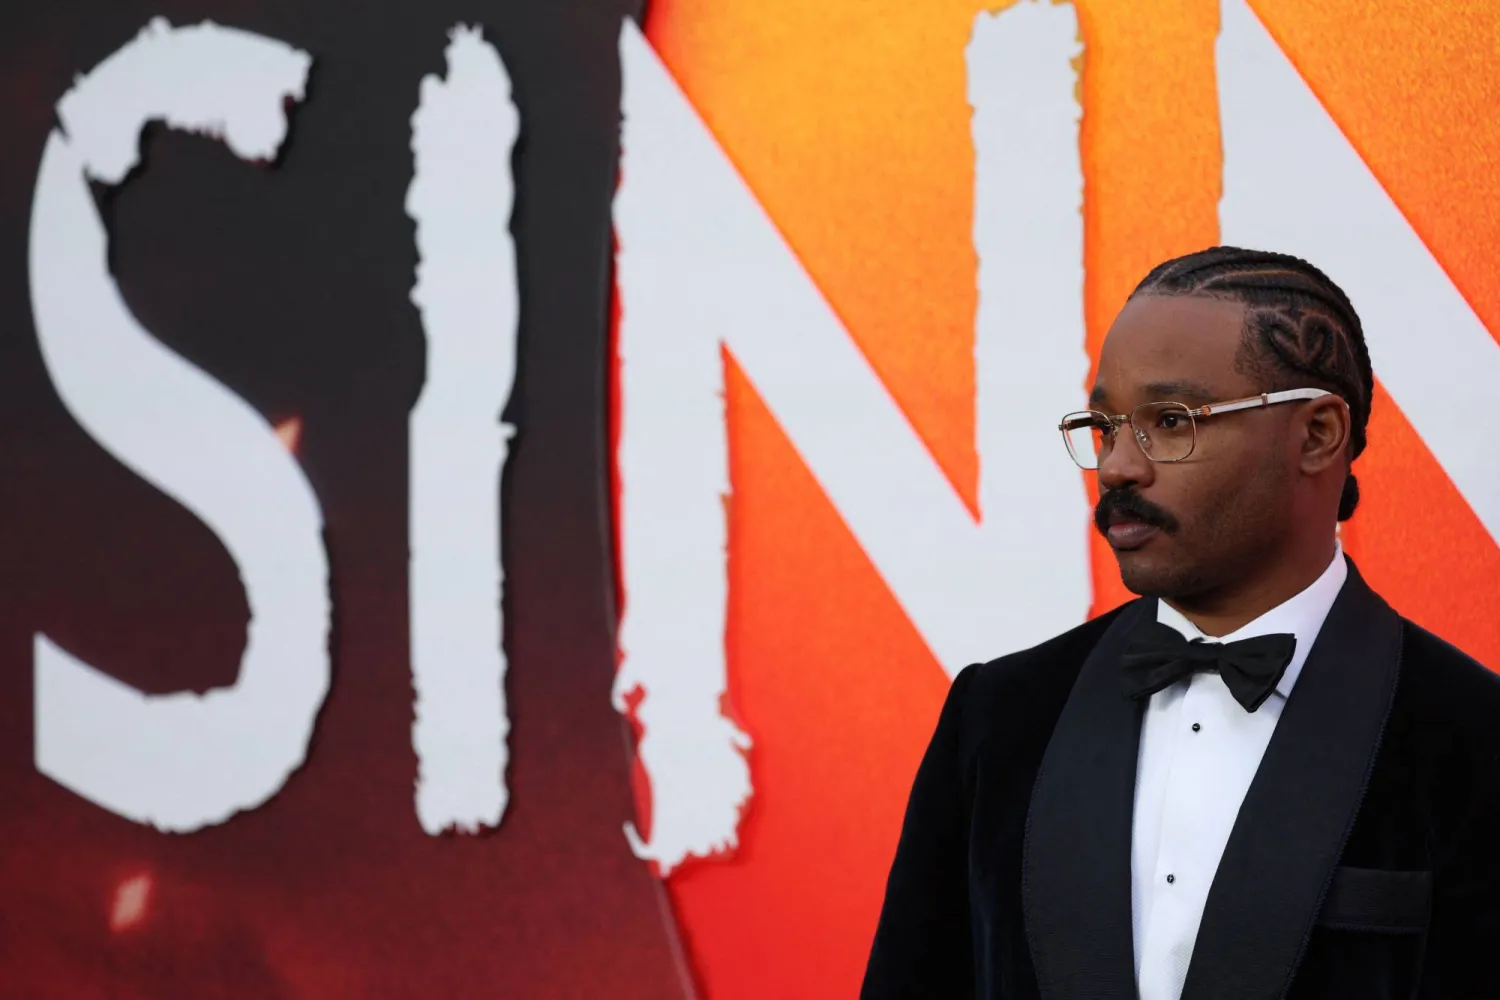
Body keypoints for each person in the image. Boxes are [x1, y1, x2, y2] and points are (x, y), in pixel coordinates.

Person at [860, 246, 1500, 1000]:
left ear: (1319, 434)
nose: (1118, 468)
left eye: (1169, 421)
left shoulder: (1474, 736)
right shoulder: (997, 717)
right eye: (1103, 427)